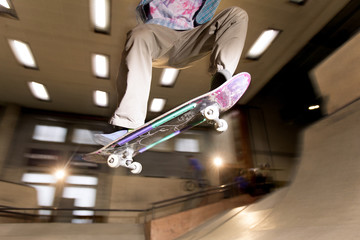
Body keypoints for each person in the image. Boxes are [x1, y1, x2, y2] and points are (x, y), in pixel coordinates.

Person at [94, 0, 248, 145]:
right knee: (137, 35)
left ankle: (221, 81)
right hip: (157, 34)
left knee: (236, 15)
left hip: (191, 36)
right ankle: (127, 125)